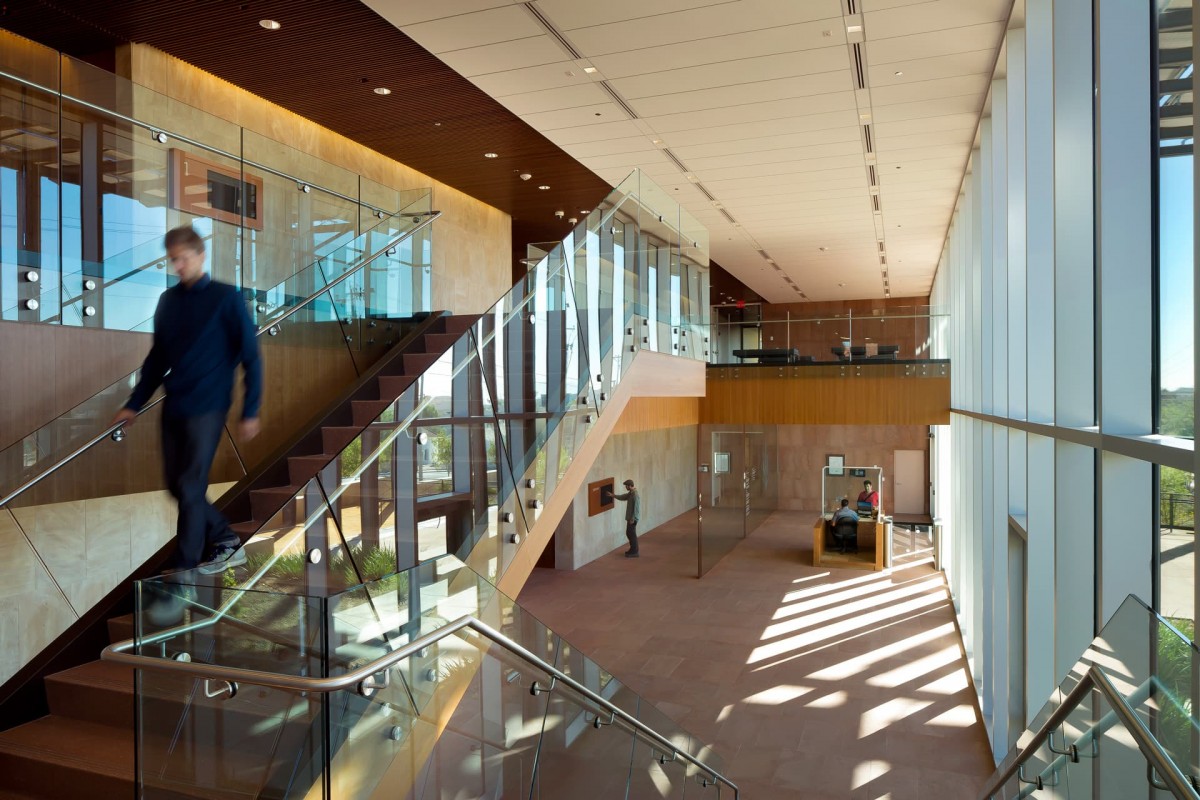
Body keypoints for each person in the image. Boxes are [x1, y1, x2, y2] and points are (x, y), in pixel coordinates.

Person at [112, 225, 262, 576]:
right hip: (174, 405)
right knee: (176, 486)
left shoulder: (226, 298)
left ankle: (184, 568)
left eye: (182, 258)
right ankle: (224, 538)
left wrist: (250, 409)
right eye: (172, 260)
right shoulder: (168, 301)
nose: (177, 266)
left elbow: (251, 357)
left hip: (208, 407)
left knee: (191, 485)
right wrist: (134, 403)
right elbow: (156, 360)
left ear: (200, 255)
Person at [612, 479, 641, 558]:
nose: (626, 487)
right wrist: (613, 495)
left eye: (627, 486)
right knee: (630, 533)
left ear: (630, 486)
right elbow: (623, 497)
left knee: (631, 534)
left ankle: (634, 551)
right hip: (630, 518)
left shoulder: (635, 495)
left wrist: (633, 518)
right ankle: (633, 549)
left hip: (633, 519)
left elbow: (636, 508)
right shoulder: (631, 493)